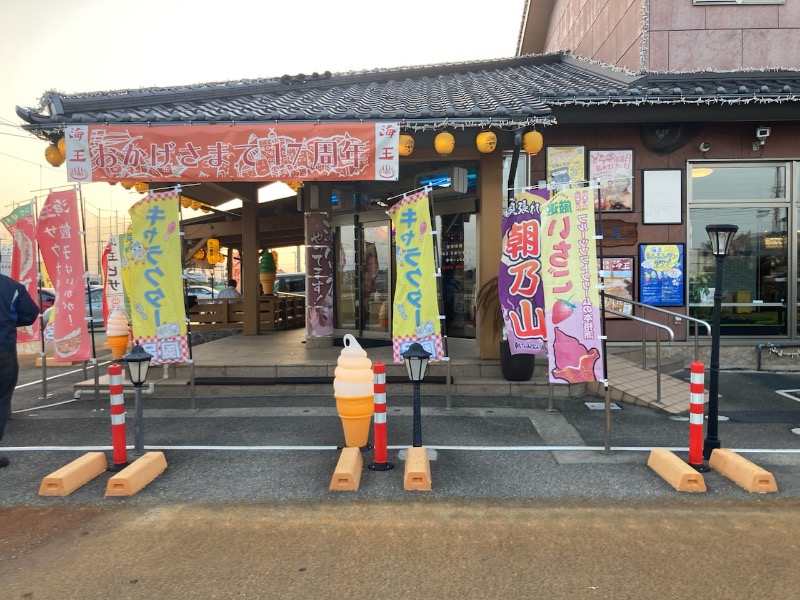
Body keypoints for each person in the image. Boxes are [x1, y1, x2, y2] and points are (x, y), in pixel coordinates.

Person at [0, 267, 40, 468]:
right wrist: (8, 320)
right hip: (3, 350)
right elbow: (30, 313)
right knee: (1, 399)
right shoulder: (12, 287)